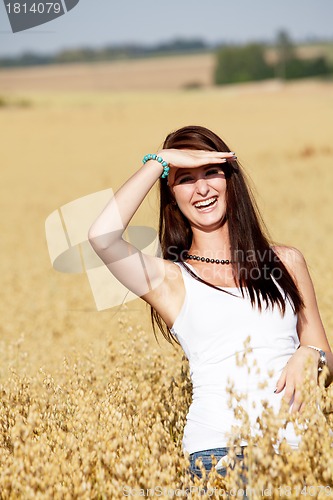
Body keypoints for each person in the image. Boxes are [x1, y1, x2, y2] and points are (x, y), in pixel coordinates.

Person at [88, 125, 332, 482]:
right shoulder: (171, 280)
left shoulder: (287, 262)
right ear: (171, 197)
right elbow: (102, 237)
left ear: (230, 181)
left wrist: (312, 355)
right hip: (222, 457)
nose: (202, 189)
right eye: (185, 179)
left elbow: (324, 361)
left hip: (305, 451)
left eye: (211, 173)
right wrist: (161, 161)